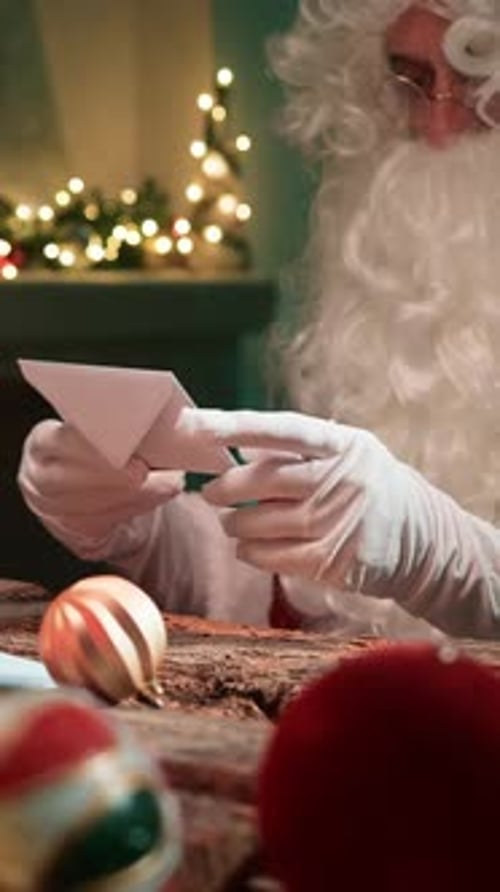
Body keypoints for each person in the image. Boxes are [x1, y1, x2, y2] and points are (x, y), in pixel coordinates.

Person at [16, 0, 500, 640]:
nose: (438, 127)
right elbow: (299, 598)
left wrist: (459, 563)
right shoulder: (391, 298)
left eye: (481, 84)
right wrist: (143, 530)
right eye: (411, 81)